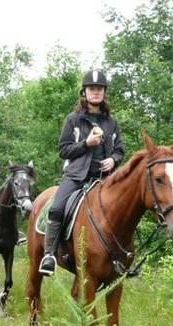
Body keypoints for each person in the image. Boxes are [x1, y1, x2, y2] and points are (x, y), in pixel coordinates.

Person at [39, 69, 124, 276]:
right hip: (76, 176)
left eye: (99, 89)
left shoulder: (111, 122)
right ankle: (49, 254)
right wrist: (86, 144)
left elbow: (119, 149)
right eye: (92, 89)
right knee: (57, 208)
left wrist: (113, 160)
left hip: (104, 179)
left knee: (123, 212)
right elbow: (63, 150)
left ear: (104, 93)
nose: (96, 92)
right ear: (84, 92)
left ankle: (119, 257)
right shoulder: (73, 119)